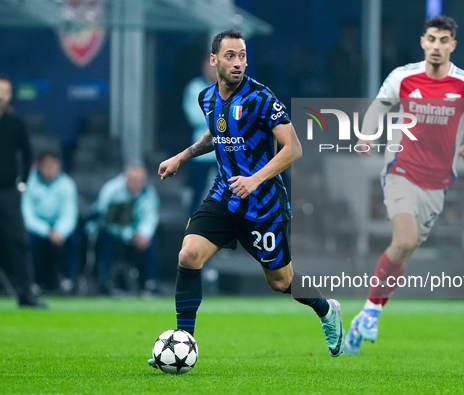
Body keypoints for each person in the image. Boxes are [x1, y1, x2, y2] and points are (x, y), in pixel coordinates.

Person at [152, 29, 344, 360]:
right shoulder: (207, 98)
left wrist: (255, 179)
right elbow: (218, 134)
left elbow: (294, 148)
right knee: (188, 255)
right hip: (225, 196)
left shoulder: (261, 99)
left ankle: (326, 309)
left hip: (263, 204)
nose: (238, 62)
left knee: (281, 282)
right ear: (214, 60)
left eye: (242, 55)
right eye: (230, 56)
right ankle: (183, 343)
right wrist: (181, 157)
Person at [345, 15, 464, 353]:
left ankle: (369, 314)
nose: (437, 46)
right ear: (423, 41)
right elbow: (377, 108)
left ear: (452, 45)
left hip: (437, 183)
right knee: (405, 239)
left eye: (444, 41)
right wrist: (367, 137)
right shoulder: (403, 76)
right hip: (401, 171)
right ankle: (370, 310)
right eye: (431, 39)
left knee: (406, 249)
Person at [0, 74, 47, 308]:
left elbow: (28, 155)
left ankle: (26, 294)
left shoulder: (15, 123)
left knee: (18, 243)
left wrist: (23, 183)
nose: (2, 95)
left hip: (7, 192)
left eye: (6, 91)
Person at [88, 164, 160, 295]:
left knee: (151, 243)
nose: (136, 184)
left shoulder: (149, 192)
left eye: (140, 181)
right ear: (126, 179)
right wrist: (130, 235)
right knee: (106, 241)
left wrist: (143, 235)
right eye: (133, 181)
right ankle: (104, 283)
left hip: (136, 235)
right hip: (111, 232)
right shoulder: (112, 190)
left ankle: (149, 284)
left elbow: (150, 217)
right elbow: (105, 219)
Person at [22, 150, 80, 294]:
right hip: (36, 228)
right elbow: (26, 214)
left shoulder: (67, 184)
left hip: (59, 229)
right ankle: (31, 281)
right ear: (39, 166)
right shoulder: (28, 183)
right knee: (28, 242)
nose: (51, 170)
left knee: (74, 241)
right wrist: (47, 232)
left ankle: (67, 280)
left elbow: (69, 214)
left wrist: (59, 231)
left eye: (55, 166)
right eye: (47, 166)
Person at [183, 56, 219, 213]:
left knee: (230, 192)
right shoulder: (194, 88)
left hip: (225, 150)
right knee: (198, 191)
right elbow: (194, 117)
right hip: (201, 151)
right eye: (209, 67)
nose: (212, 71)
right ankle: (192, 225)